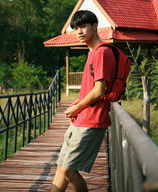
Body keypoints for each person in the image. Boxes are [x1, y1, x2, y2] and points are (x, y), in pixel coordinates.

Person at [50, 10, 116, 192]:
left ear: (95, 26)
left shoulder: (101, 53)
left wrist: (77, 107)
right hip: (82, 118)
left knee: (69, 170)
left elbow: (99, 90)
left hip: (92, 120)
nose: (79, 31)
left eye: (83, 26)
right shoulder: (92, 53)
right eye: (75, 28)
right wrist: (77, 107)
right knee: (62, 166)